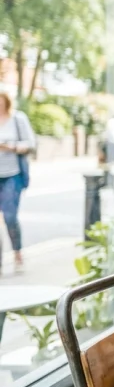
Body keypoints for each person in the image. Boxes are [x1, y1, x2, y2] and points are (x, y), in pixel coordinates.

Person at [0, 93, 35, 272]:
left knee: (10, 217)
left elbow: (30, 144)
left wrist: (11, 147)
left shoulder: (18, 119)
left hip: (12, 174)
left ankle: (17, 253)